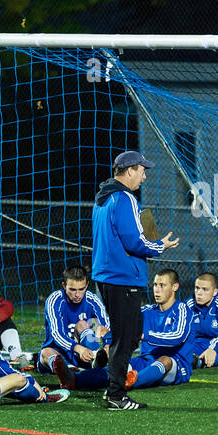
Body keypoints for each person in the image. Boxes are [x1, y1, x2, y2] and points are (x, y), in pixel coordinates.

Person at [91, 150, 179, 410]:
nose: (144, 176)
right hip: (122, 277)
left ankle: (108, 378)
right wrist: (159, 246)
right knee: (126, 337)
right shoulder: (124, 197)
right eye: (142, 170)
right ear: (129, 170)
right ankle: (116, 394)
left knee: (127, 335)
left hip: (107, 276)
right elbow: (135, 242)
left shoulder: (103, 198)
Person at [124, 268, 207, 390]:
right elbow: (125, 323)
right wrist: (108, 330)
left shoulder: (182, 310)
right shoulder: (146, 311)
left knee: (165, 360)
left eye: (162, 285)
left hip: (176, 366)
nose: (157, 290)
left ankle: (132, 382)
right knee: (120, 366)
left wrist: (145, 336)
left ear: (175, 287)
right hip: (146, 361)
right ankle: (87, 379)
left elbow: (177, 337)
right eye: (155, 285)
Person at [38, 265, 111, 390]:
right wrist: (78, 349)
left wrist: (107, 346)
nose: (77, 294)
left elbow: (105, 328)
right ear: (63, 286)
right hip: (60, 352)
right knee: (45, 353)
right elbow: (57, 335)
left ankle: (94, 359)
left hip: (85, 354)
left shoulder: (92, 300)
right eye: (72, 289)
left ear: (87, 285)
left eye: (81, 289)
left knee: (85, 324)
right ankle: (66, 372)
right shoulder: (55, 300)